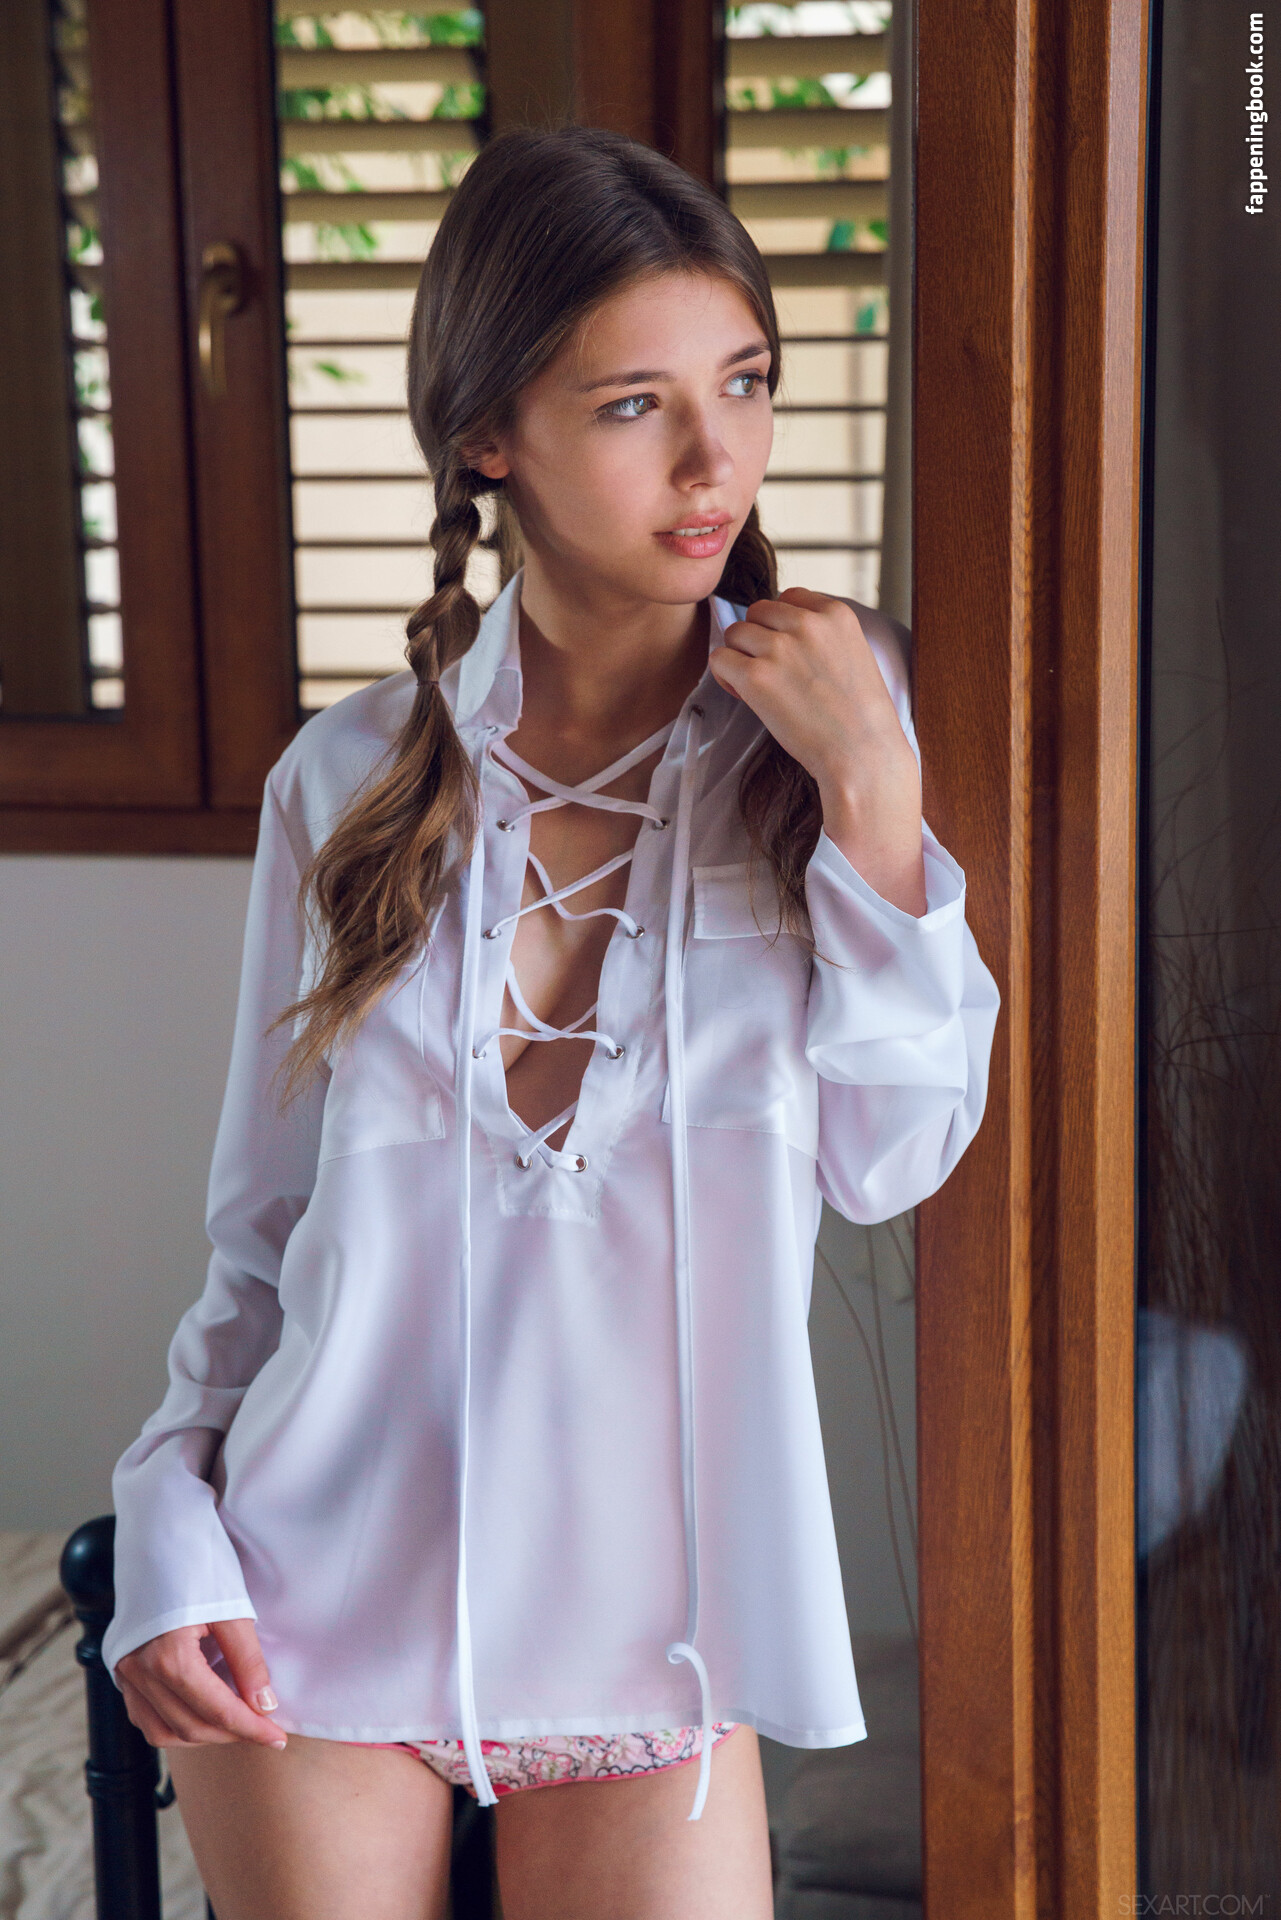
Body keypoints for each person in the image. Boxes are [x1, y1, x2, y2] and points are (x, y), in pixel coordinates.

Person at [100, 126, 1000, 1920]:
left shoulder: (842, 726)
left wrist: (872, 796)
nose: (714, 458)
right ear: (488, 437)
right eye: (632, 405)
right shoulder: (345, 775)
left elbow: (891, 1161)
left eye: (744, 382)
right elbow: (264, 1234)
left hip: (653, 1637)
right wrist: (164, 1515)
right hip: (308, 1604)